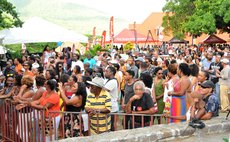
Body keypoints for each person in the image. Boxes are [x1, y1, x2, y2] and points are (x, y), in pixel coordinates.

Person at [104, 66, 119, 131]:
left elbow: (104, 90)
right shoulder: (108, 80)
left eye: (107, 71)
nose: (105, 73)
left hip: (112, 107)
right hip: (108, 106)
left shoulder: (113, 81)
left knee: (111, 127)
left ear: (111, 73)